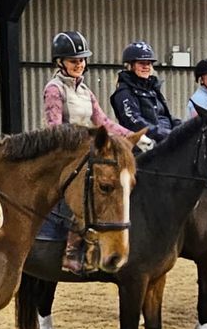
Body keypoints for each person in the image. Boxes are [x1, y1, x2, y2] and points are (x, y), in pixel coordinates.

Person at [42, 31, 147, 272]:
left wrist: (134, 138)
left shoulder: (86, 91)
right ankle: (71, 250)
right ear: (60, 62)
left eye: (81, 60)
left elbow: (103, 122)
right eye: (73, 60)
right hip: (66, 151)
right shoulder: (54, 89)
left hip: (88, 149)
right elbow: (54, 127)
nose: (79, 64)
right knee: (81, 187)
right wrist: (82, 142)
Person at [111, 41, 179, 146]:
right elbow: (134, 121)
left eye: (148, 63)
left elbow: (165, 115)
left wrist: (182, 127)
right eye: (141, 63)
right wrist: (165, 134)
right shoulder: (124, 92)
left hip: (164, 140)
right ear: (130, 65)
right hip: (144, 144)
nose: (146, 67)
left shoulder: (153, 89)